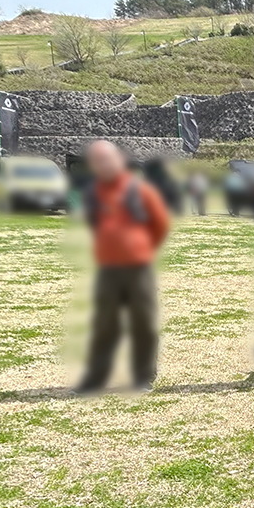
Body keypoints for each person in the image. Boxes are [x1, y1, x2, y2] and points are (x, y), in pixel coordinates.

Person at [75, 139, 170, 394]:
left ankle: (143, 377)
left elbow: (160, 225)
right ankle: (96, 378)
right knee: (104, 323)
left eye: (107, 159)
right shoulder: (94, 193)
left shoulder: (141, 191)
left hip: (138, 267)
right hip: (108, 269)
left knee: (143, 322)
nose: (103, 166)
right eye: (97, 162)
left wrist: (140, 249)